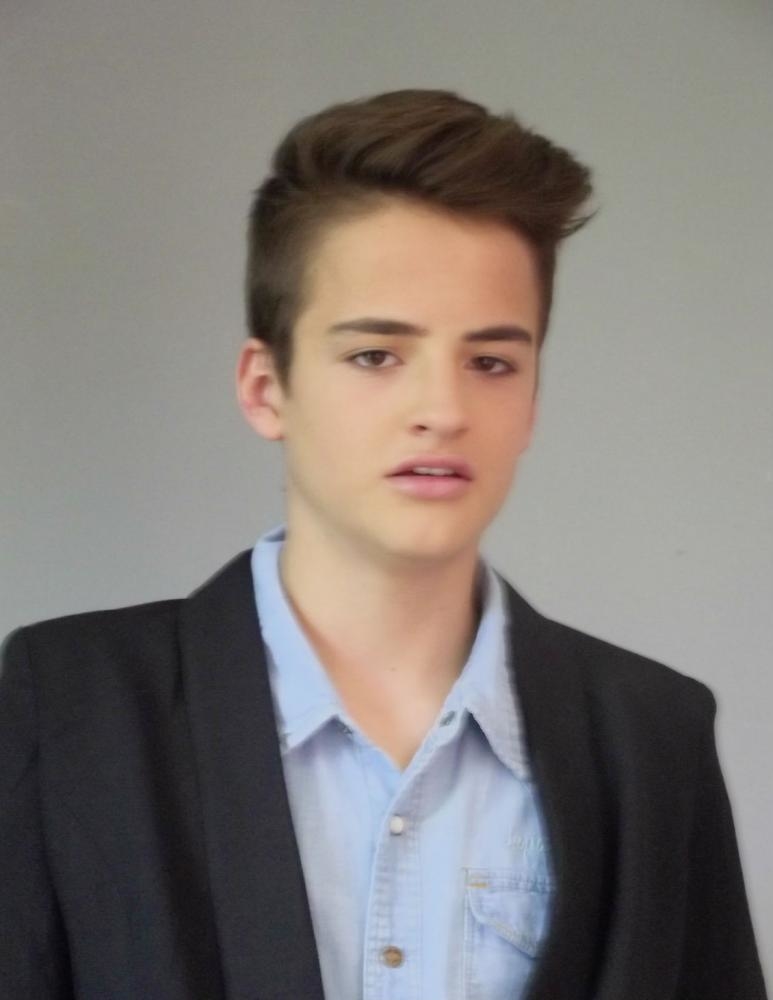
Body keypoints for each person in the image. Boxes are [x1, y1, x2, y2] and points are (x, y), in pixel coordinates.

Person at [0, 89, 766, 1000]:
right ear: (265, 387)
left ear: (531, 401)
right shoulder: (71, 704)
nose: (442, 409)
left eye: (491, 362)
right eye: (375, 355)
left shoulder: (651, 733)